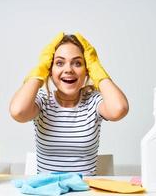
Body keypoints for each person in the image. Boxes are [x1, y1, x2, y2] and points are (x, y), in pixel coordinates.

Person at [10, 32, 129, 176]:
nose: (68, 70)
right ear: (49, 70)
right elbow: (18, 112)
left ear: (87, 71)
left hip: (85, 191)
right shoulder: (43, 100)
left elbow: (119, 109)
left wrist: (97, 70)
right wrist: (40, 69)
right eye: (59, 63)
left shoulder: (93, 101)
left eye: (77, 63)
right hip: (48, 191)